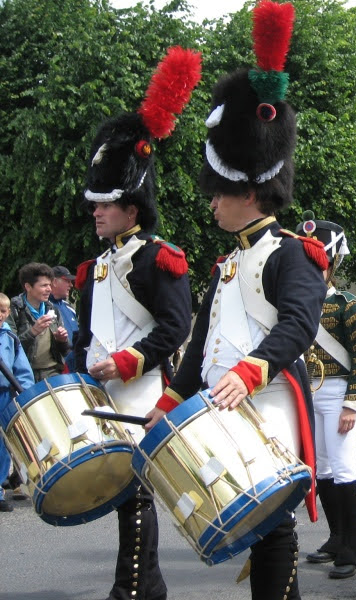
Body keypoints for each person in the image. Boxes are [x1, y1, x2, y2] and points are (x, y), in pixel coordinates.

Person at [144, 4, 327, 598]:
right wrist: (170, 399)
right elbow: (200, 345)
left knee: (272, 527)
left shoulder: (290, 253)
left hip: (268, 398)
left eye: (219, 193)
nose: (212, 204)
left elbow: (299, 326)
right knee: (260, 532)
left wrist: (251, 371)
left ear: (248, 190)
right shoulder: (227, 263)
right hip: (225, 401)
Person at [73, 46, 200, 600]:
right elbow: (85, 333)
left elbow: (174, 327)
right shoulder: (96, 266)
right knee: (122, 496)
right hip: (102, 389)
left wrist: (127, 362)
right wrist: (81, 368)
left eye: (108, 203)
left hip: (143, 385)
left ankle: (138, 586)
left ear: (133, 206)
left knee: (136, 493)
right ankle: (142, 584)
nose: (97, 211)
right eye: (95, 204)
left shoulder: (157, 258)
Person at [297, 213, 356, 579]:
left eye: (318, 263)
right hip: (311, 395)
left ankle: (352, 552)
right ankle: (336, 536)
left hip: (340, 393)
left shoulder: (346, 304)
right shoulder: (295, 305)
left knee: (343, 469)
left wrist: (352, 403)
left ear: (331, 264)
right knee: (321, 469)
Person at [0, 292, 35, 513]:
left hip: (4, 394)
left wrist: (25, 393)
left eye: (4, 311)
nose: (1, 315)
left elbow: (22, 369)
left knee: (3, 443)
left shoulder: (9, 337)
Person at [8, 263, 69, 381]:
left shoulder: (52, 309)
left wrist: (62, 340)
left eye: (50, 285)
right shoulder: (14, 310)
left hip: (53, 372)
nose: (49, 289)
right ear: (28, 287)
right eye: (44, 285)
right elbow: (9, 348)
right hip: (25, 376)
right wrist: (33, 332)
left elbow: (65, 350)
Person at [49, 265, 79, 372]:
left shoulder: (69, 307)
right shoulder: (43, 307)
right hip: (57, 368)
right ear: (54, 282)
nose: (71, 285)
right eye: (67, 281)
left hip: (75, 363)